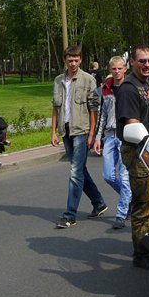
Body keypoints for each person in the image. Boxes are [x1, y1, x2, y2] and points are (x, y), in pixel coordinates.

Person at [51, 45, 107, 229]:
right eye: (70, 60)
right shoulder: (58, 80)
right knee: (80, 170)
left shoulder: (88, 79)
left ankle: (70, 215)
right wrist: (53, 132)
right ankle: (99, 203)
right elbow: (55, 107)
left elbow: (94, 109)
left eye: (76, 60)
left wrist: (92, 134)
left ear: (81, 60)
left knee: (75, 172)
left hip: (81, 131)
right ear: (64, 60)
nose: (73, 63)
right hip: (65, 130)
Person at [115, 44, 149, 270]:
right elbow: (132, 125)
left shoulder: (146, 85)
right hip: (138, 151)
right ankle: (141, 253)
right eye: (142, 61)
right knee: (143, 203)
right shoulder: (129, 88)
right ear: (132, 62)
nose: (147, 64)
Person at [93, 56, 132, 229]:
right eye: (113, 69)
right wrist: (97, 138)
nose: (116, 72)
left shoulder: (130, 87)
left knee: (124, 177)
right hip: (109, 135)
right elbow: (102, 115)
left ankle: (121, 214)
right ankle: (128, 197)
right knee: (108, 175)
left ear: (125, 69)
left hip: (126, 136)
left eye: (119, 68)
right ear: (110, 70)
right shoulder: (105, 89)